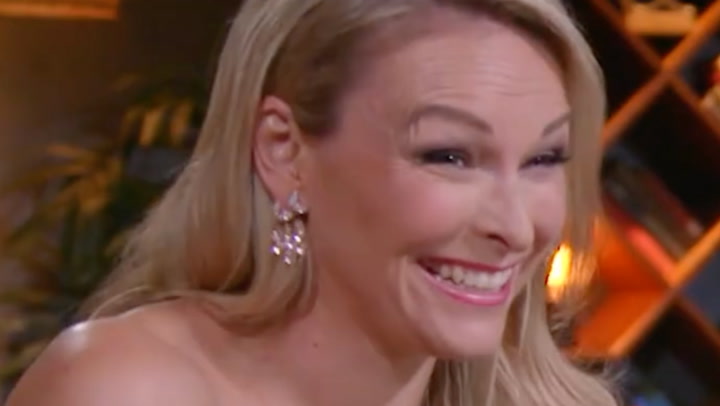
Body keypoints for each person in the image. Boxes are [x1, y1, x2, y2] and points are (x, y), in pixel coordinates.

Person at [6, 0, 619, 405]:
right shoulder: (125, 389)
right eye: (450, 156)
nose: (516, 229)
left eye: (543, 159)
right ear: (284, 150)